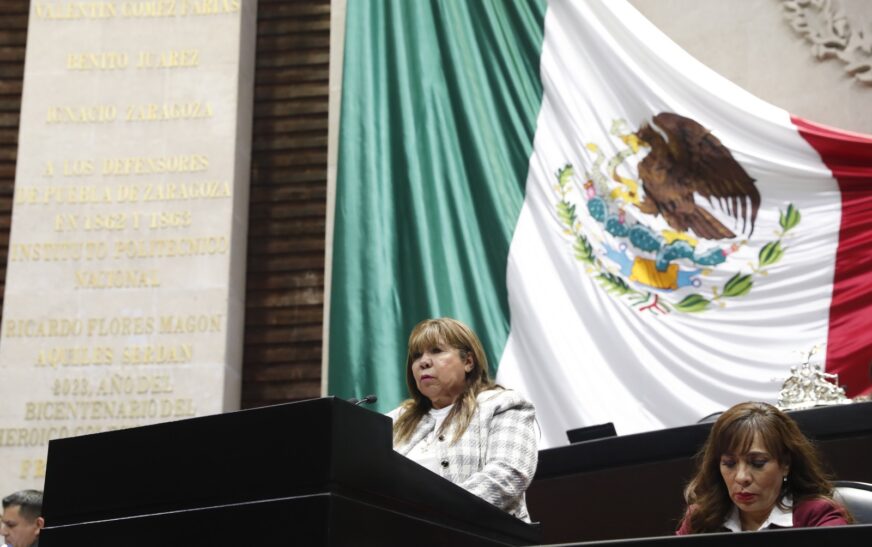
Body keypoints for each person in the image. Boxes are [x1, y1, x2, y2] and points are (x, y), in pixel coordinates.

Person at [387, 317, 538, 522]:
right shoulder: (396, 420)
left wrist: (435, 513)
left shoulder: (503, 404)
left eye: (436, 351)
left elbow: (508, 475)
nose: (423, 362)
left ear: (468, 361)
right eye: (416, 356)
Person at [676, 401, 852, 534]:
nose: (741, 477)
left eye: (757, 463)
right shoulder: (701, 519)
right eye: (729, 464)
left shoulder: (818, 516)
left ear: (785, 464)